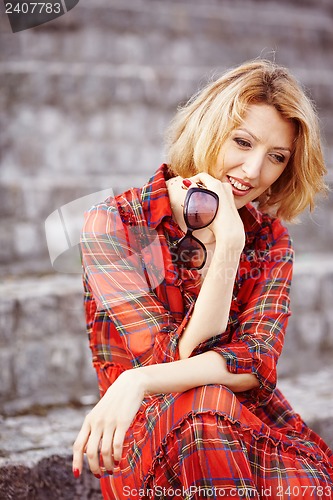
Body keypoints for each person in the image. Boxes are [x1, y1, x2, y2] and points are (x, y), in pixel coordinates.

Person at [72, 60, 333, 499]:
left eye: (276, 157)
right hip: (143, 439)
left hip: (248, 425)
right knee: (204, 418)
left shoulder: (269, 240)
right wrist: (140, 379)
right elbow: (165, 357)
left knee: (303, 487)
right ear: (211, 128)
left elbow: (254, 364)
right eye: (243, 142)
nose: (252, 170)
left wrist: (231, 242)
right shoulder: (117, 224)